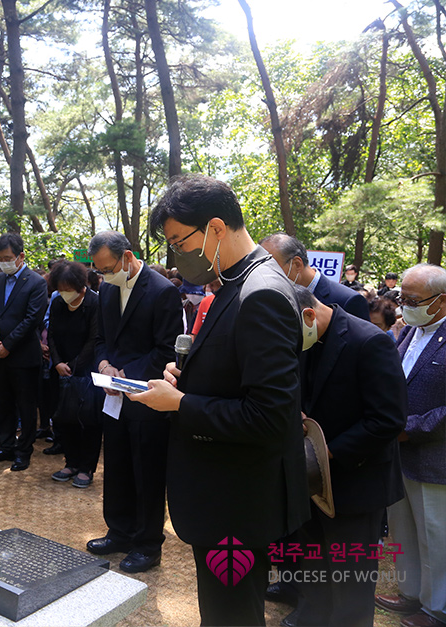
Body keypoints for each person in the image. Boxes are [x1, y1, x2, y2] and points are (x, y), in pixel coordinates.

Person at [127, 174, 309, 626]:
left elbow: (269, 416)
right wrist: (186, 381)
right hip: (224, 496)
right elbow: (236, 376)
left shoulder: (261, 292)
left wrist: (180, 404)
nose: (177, 255)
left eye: (179, 242)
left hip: (237, 503)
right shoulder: (235, 283)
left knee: (231, 617)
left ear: (214, 228)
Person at [292, 286, 406, 627]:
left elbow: (388, 419)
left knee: (350, 581)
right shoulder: (304, 338)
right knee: (312, 568)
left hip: (356, 481)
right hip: (310, 478)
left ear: (309, 315)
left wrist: (329, 451)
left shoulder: (370, 342)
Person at [87, 230, 183, 574]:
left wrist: (127, 373)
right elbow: (101, 338)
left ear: (127, 257)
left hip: (147, 396)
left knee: (147, 472)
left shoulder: (162, 291)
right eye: (99, 271)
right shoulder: (107, 290)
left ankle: (147, 543)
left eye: (108, 268)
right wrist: (104, 366)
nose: (104, 276)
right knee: (116, 465)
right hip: (114, 395)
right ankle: (119, 531)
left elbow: (167, 350)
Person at [376, 264, 446, 627]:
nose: (404, 306)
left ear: (441, 301)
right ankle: (411, 593)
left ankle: (437, 609)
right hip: (398, 450)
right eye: (401, 297)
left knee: (436, 534)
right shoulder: (409, 331)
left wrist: (411, 429)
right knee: (403, 526)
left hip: (434, 455)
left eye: (413, 300)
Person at [0, 233, 48, 472]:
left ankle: (23, 451)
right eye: (0, 258)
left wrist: (7, 345)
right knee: (2, 403)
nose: (4, 262)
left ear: (21, 256)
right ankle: (6, 446)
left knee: (26, 407)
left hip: (23, 357)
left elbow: (32, 319)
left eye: (8, 258)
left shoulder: (36, 282)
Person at [46, 260, 101, 489]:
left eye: (68, 289)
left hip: (86, 371)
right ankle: (70, 462)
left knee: (87, 420)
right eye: (60, 289)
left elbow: (94, 339)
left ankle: (86, 467)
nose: (64, 293)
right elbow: (51, 334)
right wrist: (58, 362)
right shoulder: (58, 302)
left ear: (80, 286)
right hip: (61, 370)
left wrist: (74, 365)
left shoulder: (94, 303)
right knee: (64, 417)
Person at [260, 233, 368, 320]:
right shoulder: (273, 299)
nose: (267, 275)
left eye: (272, 268)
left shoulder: (348, 301)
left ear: (297, 264)